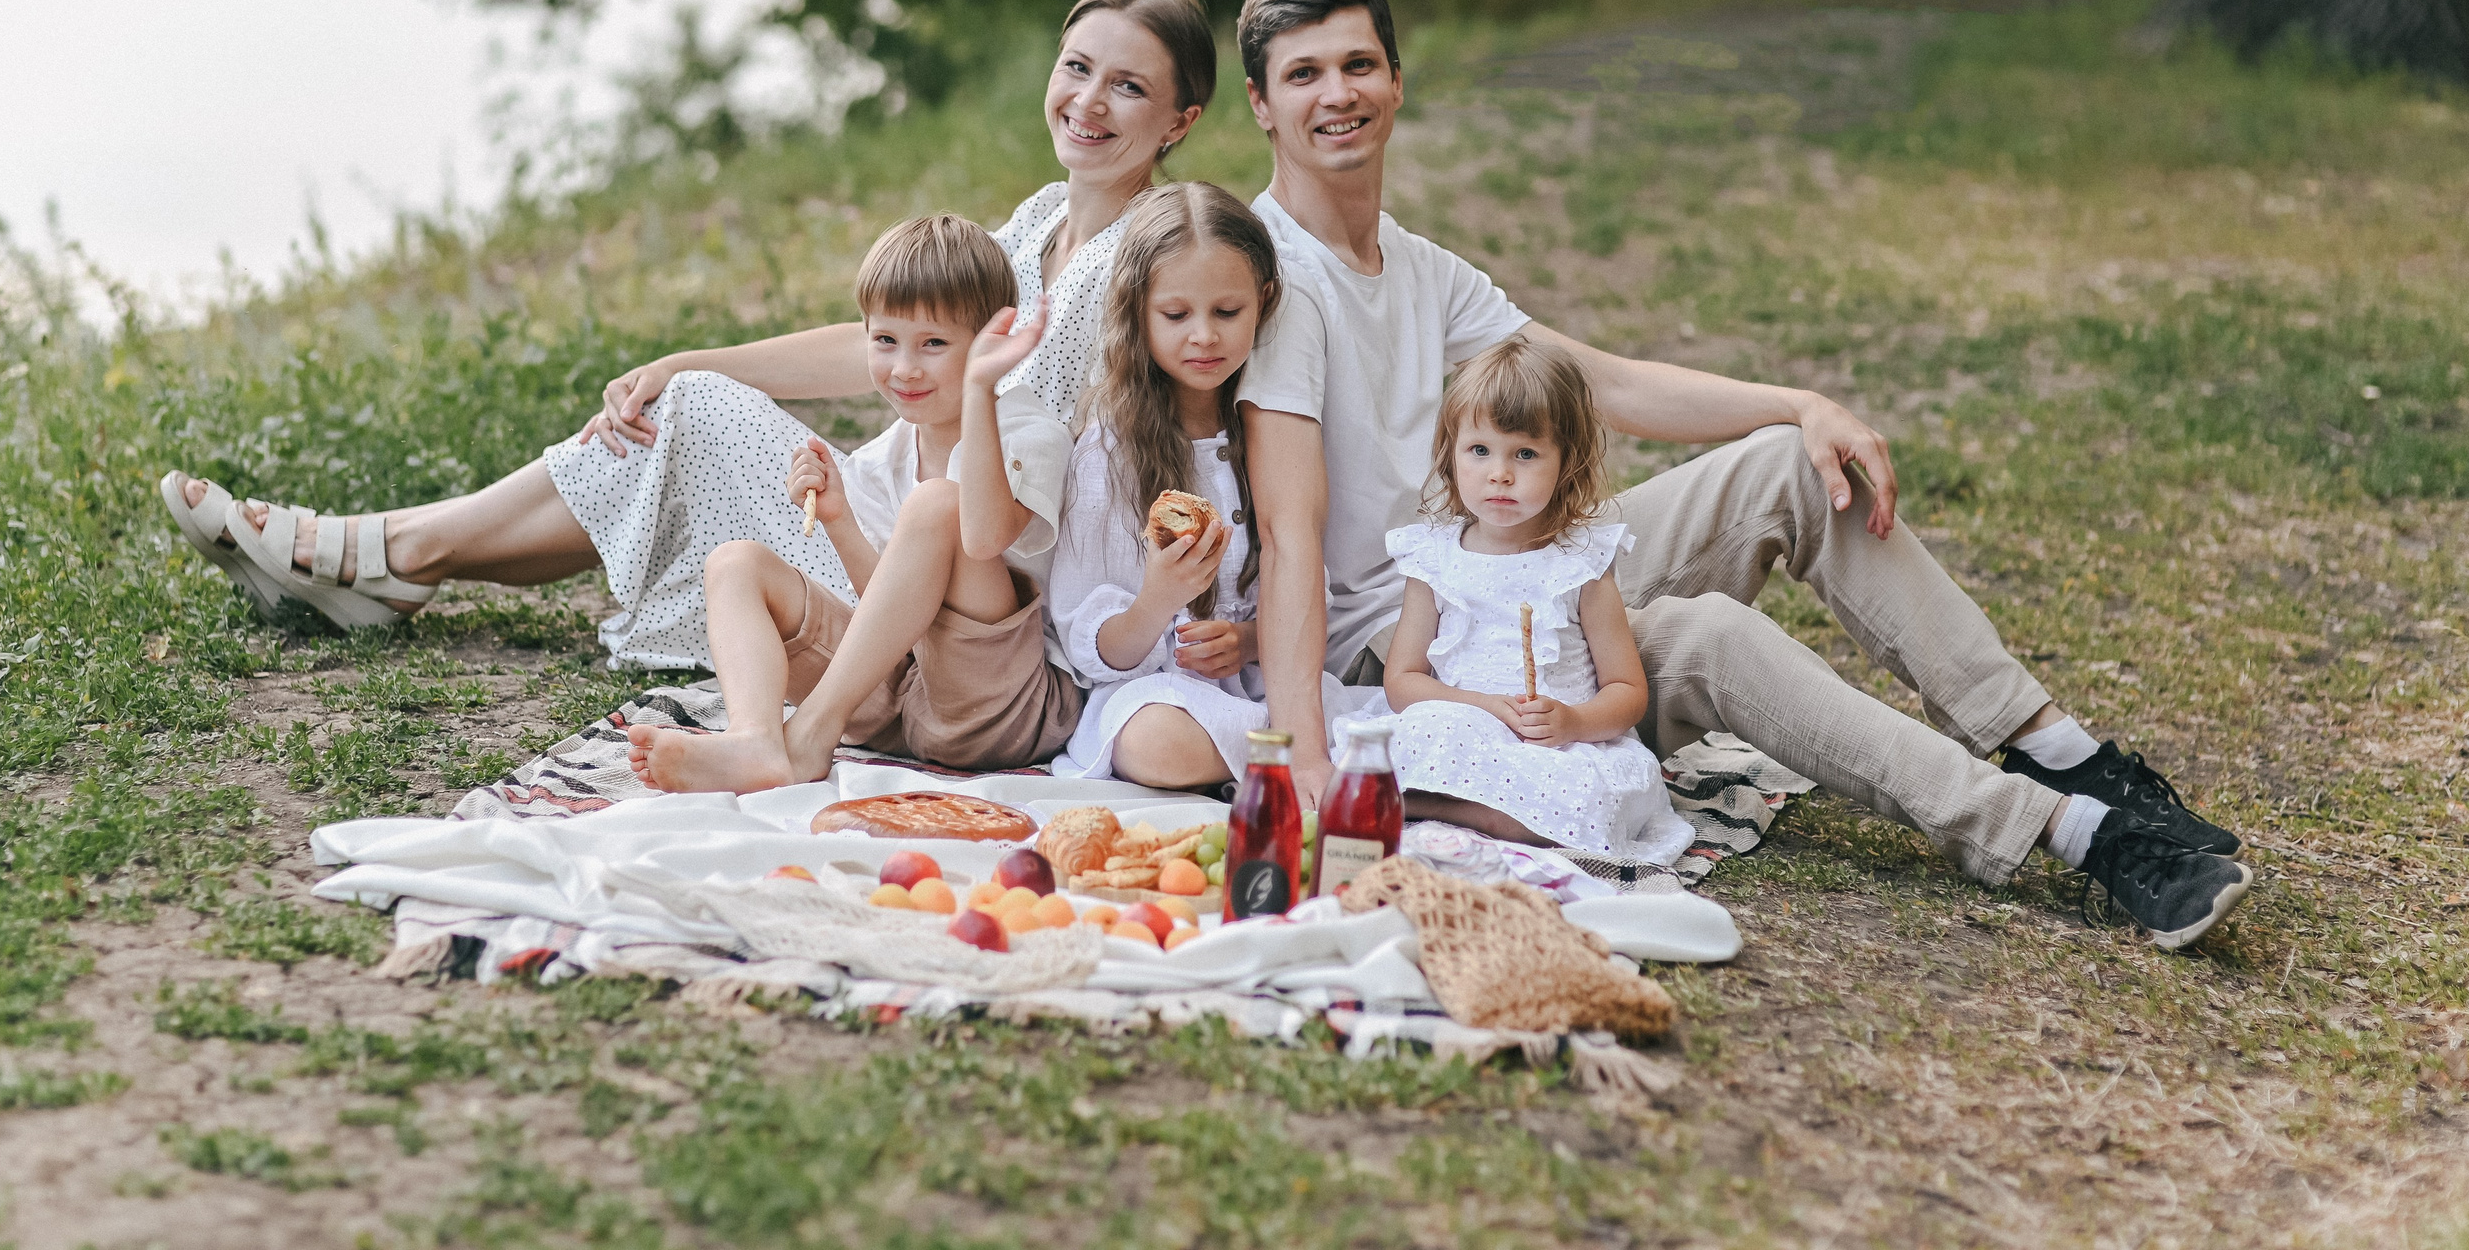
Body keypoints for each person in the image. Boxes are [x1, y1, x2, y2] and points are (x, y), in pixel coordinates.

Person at [1234, 0, 2253, 951]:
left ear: (1398, 81)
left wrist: (1801, 401)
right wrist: (1305, 762)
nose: (1338, 93)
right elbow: (1287, 537)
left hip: (1520, 562)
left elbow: (1604, 383)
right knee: (1707, 636)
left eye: (1358, 64)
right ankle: (2066, 832)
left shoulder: (1416, 266)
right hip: (1412, 643)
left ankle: (2065, 755)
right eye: (1304, 74)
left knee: (1791, 464)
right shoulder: (1274, 281)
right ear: (1261, 107)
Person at [160, 0, 1216, 671]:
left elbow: (1143, 431)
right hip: (892, 502)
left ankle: (388, 552)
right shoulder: (1037, 220)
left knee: (695, 416)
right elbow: (896, 343)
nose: (1089, 100)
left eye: (1129, 87)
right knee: (684, 401)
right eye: (1077, 67)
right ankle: (398, 558)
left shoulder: (1153, 252)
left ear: (1180, 122)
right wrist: (689, 352)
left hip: (960, 571)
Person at [625, 214, 1075, 790]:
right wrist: (839, 521)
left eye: (933, 344)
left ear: (995, 342)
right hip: (911, 700)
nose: (904, 368)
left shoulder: (1030, 432)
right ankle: (757, 742)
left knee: (939, 505)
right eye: (885, 340)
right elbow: (891, 612)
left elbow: (984, 538)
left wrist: (981, 389)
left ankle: (813, 731)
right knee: (735, 563)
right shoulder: (887, 456)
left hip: (1003, 709)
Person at [1043, 182, 1355, 789]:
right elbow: (1089, 645)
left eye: (1227, 312)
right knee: (1158, 742)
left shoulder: (1269, 432)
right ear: (1138, 311)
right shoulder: (1110, 453)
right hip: (1158, 696)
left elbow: (1307, 584)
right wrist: (1157, 599)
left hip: (1264, 691)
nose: (1205, 336)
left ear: (1263, 301)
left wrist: (1245, 642)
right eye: (1177, 315)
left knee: (1352, 716)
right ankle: (1266, 761)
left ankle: (1278, 755)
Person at [1373, 335, 1692, 868]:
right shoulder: (1433, 558)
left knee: (1583, 793)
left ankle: (1454, 813)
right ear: (1450, 456)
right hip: (1464, 726)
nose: (1499, 473)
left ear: (1567, 461)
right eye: (1479, 451)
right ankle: (1479, 812)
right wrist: (1484, 707)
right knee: (1424, 731)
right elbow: (1403, 682)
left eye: (1525, 453)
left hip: (1552, 745)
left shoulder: (1579, 563)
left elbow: (1627, 690)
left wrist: (1572, 722)